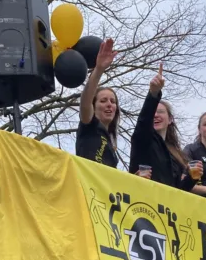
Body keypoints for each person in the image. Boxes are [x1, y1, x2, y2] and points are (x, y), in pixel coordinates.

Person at [128, 64, 198, 190]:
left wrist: (192, 178)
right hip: (141, 201)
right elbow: (144, 121)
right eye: (153, 112)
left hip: (165, 207)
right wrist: (153, 93)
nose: (155, 115)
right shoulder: (143, 138)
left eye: (160, 112)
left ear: (170, 119)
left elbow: (177, 191)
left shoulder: (176, 155)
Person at [76, 39, 120, 168]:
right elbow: (85, 102)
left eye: (113, 101)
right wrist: (99, 69)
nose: (109, 104)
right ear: (93, 106)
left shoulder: (111, 145)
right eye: (103, 100)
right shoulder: (89, 125)